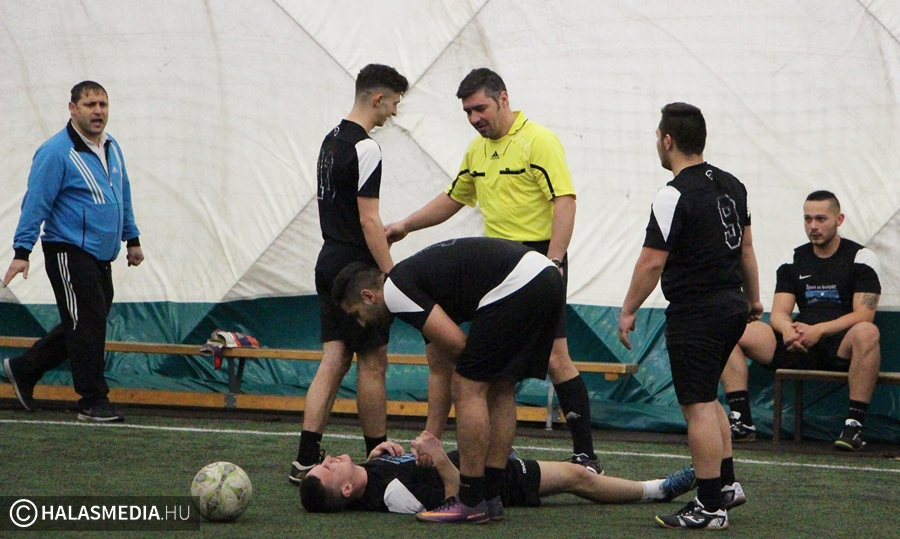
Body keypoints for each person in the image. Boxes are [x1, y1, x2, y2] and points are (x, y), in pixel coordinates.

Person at [385, 68, 601, 473]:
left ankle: (585, 455)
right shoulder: (477, 150)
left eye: (480, 108)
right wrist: (406, 225)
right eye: (468, 112)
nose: (474, 118)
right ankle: (476, 453)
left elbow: (565, 201)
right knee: (480, 368)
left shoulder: (538, 141)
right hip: (493, 268)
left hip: (537, 263)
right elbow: (454, 197)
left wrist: (554, 262)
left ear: (503, 98)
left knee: (555, 359)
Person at [332, 237, 565, 523]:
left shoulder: (395, 292)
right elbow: (439, 371)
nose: (361, 323)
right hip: (546, 276)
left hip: (518, 283)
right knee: (501, 388)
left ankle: (471, 500)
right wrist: (431, 438)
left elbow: (458, 347)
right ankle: (491, 496)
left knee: (468, 385)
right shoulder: (416, 284)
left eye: (357, 315)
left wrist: (471, 382)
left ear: (369, 296)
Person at [618, 103, 761, 530]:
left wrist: (628, 309)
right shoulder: (733, 185)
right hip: (732, 304)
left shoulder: (673, 193)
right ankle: (726, 486)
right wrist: (754, 300)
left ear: (668, 140)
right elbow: (746, 249)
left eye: (657, 136)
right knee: (708, 397)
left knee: (696, 405)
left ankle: (709, 506)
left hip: (697, 311)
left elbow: (651, 261)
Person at [288, 64, 410, 485]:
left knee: (334, 358)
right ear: (378, 98)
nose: (394, 112)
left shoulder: (331, 140)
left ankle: (305, 458)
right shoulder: (367, 147)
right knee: (373, 362)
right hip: (358, 270)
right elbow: (369, 220)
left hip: (328, 260)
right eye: (394, 103)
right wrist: (391, 274)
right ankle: (378, 456)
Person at [2, 80, 144, 423]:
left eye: (103, 105)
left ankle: (24, 368)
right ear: (72, 108)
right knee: (87, 322)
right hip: (68, 249)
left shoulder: (111, 147)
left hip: (101, 254)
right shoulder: (56, 152)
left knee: (84, 321)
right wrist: (22, 251)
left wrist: (132, 238)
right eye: (90, 105)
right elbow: (36, 202)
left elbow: (121, 194)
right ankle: (92, 400)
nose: (98, 111)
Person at [721, 190, 881, 451]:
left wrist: (819, 330)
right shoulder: (793, 258)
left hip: (839, 344)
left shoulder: (861, 257)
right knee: (731, 329)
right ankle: (742, 420)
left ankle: (853, 426)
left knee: (867, 331)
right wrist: (787, 330)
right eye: (808, 219)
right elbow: (779, 312)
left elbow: (864, 314)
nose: (813, 226)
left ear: (839, 219)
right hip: (798, 341)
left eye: (821, 219)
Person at [299, 430, 696, 518]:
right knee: (579, 477)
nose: (330, 458)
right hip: (496, 480)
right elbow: (456, 501)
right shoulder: (393, 496)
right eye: (328, 467)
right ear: (346, 489)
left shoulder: (371, 470)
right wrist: (439, 458)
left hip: (483, 457)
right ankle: (659, 490)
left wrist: (376, 455)